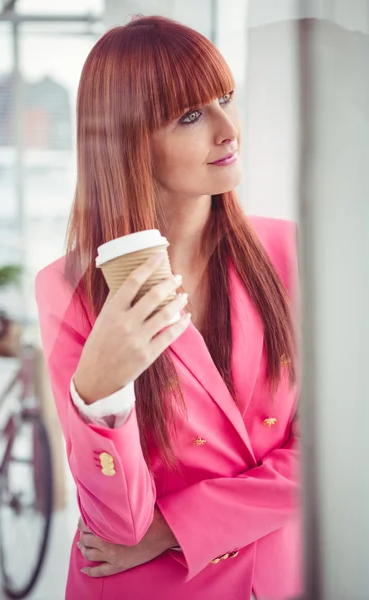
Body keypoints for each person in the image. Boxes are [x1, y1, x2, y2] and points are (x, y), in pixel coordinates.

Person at [35, 15, 301, 600]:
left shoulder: (292, 253)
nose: (229, 129)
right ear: (131, 141)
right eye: (190, 116)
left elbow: (335, 450)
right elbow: (117, 529)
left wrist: (174, 526)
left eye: (225, 98)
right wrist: (100, 391)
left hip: (277, 579)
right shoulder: (70, 289)